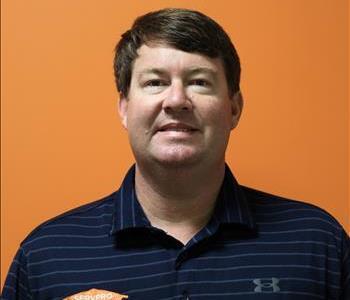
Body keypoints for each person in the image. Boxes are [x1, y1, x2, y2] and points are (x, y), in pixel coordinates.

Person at [1, 8, 349, 300]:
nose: (176, 100)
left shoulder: (318, 243)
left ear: (234, 108)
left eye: (199, 81)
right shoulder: (47, 255)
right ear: (124, 107)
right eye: (155, 82)